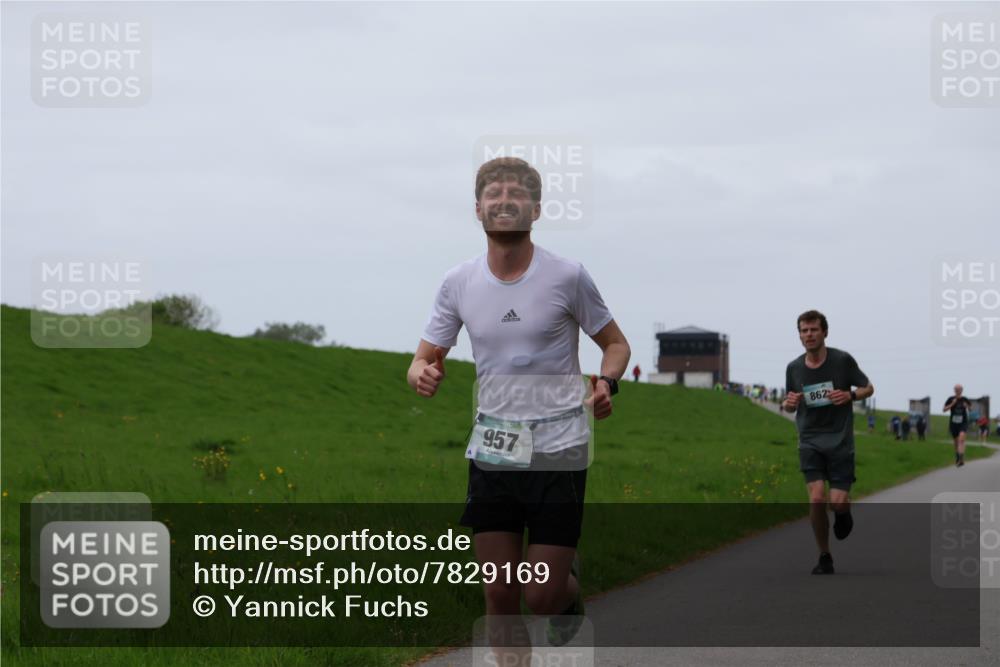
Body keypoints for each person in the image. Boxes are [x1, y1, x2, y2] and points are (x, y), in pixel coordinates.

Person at [407, 157, 630, 653]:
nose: (504, 201)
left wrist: (607, 383)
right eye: (494, 194)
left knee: (542, 595)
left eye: (516, 194)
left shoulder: (567, 276)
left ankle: (567, 597)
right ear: (478, 208)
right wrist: (420, 372)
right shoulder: (458, 282)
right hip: (494, 448)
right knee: (500, 596)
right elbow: (423, 356)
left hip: (560, 448)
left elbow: (616, 344)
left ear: (536, 209)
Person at [783, 310, 874, 575]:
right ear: (799, 335)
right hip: (809, 440)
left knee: (837, 502)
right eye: (803, 330)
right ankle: (824, 555)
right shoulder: (794, 368)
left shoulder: (842, 361)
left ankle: (843, 513)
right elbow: (790, 404)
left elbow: (869, 387)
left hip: (840, 442)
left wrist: (850, 395)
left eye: (813, 330)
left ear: (825, 332)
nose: (808, 335)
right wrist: (788, 405)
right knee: (816, 498)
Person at [943, 386, 972, 467]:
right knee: (956, 442)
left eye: (959, 390)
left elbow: (971, 409)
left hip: (963, 423)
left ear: (962, 390)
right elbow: (944, 409)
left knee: (961, 439)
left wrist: (967, 406)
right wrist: (952, 404)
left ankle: (961, 458)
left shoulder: (965, 399)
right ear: (954, 390)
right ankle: (957, 456)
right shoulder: (950, 398)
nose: (957, 391)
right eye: (956, 390)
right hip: (954, 423)